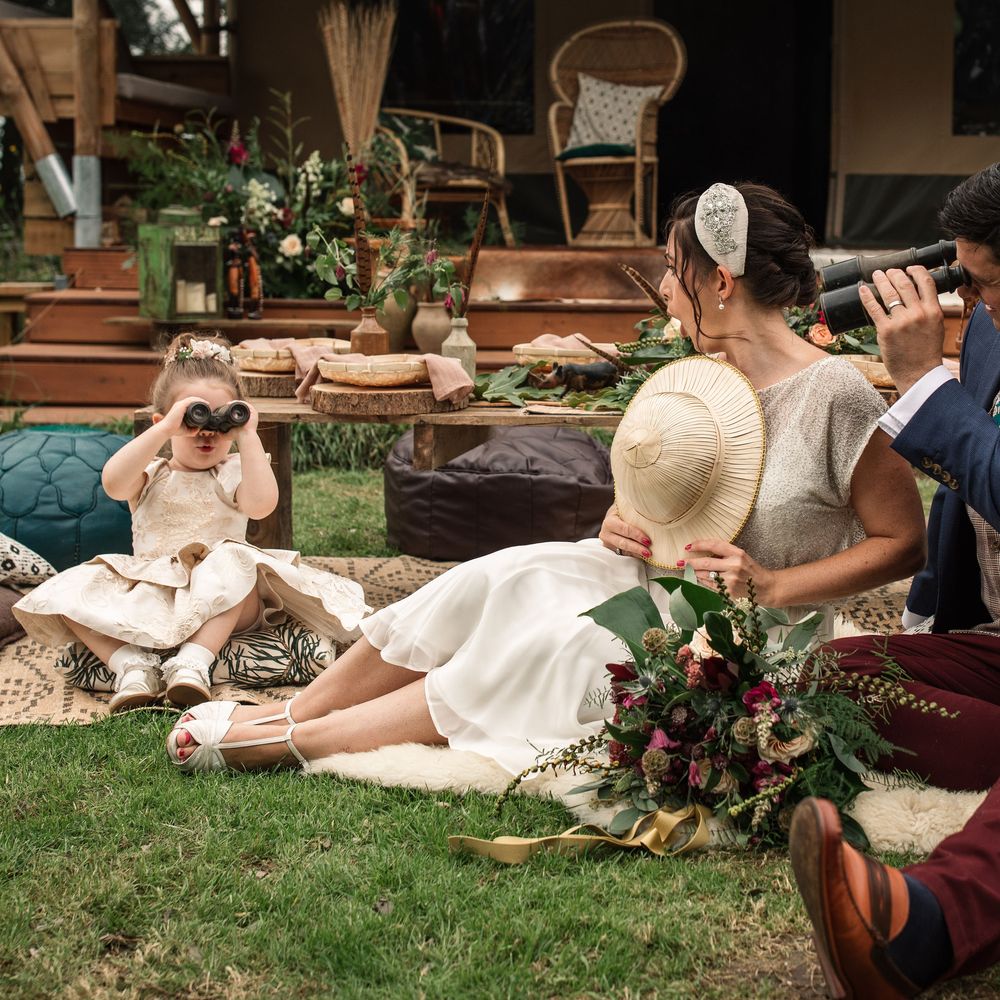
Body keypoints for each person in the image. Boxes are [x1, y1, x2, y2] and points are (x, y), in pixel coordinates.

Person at [163, 181, 926, 774]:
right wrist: (628, 519)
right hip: (653, 578)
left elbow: (903, 543)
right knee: (500, 577)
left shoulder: (839, 394)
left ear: (719, 281)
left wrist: (774, 585)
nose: (665, 289)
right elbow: (677, 501)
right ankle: (295, 709)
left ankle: (302, 742)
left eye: (674, 270)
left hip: (744, 635)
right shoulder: (701, 379)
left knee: (552, 646)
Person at [789, 162, 1000, 998]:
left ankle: (921, 926)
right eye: (966, 282)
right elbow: (963, 489)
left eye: (984, 284)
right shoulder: (988, 329)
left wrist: (921, 380)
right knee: (835, 676)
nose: (974, 303)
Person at [13, 332, 368, 713]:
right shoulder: (150, 474)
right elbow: (113, 483)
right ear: (163, 421)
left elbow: (262, 505)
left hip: (223, 604)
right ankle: (132, 667)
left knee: (234, 559)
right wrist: (166, 428)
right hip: (153, 601)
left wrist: (248, 436)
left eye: (221, 418)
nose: (207, 431)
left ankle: (193, 662)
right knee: (71, 586)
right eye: (194, 417)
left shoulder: (231, 472)